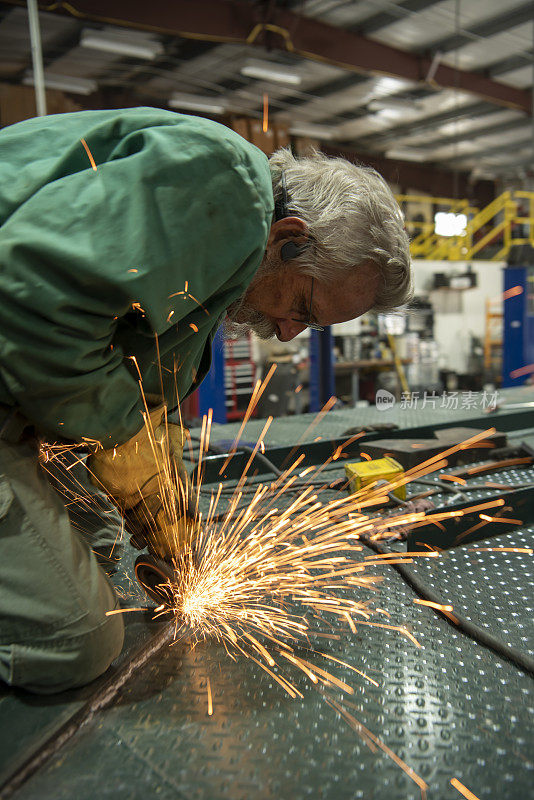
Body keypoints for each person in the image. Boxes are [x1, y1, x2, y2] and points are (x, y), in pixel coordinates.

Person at [0, 107, 412, 693]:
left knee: (104, 543)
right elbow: (32, 303)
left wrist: (167, 501)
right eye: (303, 307)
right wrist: (127, 450)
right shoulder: (223, 187)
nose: (291, 332)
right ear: (290, 241)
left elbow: (146, 385)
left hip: (13, 381)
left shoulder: (221, 262)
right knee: (75, 638)